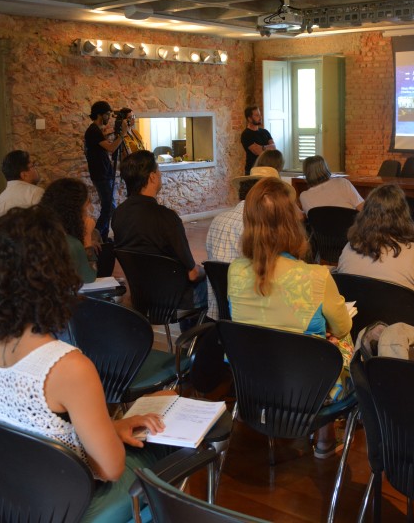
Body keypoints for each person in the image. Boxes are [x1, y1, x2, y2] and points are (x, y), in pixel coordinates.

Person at [0, 206, 165, 521]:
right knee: (163, 454)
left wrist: (109, 427)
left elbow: (30, 430)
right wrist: (109, 436)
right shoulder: (67, 366)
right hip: (65, 504)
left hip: (12, 497)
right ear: (56, 274)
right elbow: (110, 468)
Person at [228, 177, 353, 458]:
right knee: (338, 342)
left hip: (255, 381)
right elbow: (344, 326)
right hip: (307, 386)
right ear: (291, 223)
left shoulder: (234, 271)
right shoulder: (316, 276)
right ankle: (324, 439)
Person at [112, 150, 207, 314]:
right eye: (158, 170)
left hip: (140, 298)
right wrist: (205, 270)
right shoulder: (167, 218)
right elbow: (192, 273)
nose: (160, 174)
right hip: (173, 300)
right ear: (152, 177)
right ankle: (195, 336)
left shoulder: (118, 214)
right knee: (209, 280)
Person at [336, 183, 414, 336]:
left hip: (356, 329)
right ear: (404, 216)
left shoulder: (349, 248)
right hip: (398, 336)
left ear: (365, 214)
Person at [205, 166, 284, 320]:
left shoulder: (217, 220)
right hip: (253, 316)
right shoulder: (261, 227)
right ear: (267, 197)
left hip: (217, 311)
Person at [84, 100, 128, 241]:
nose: (109, 118)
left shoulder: (96, 131)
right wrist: (122, 135)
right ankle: (96, 235)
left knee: (110, 206)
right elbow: (111, 148)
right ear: (99, 115)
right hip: (101, 174)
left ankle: (102, 237)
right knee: (108, 207)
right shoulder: (93, 131)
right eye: (107, 115)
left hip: (104, 173)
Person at [40, 178, 97, 283]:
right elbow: (89, 277)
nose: (89, 207)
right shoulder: (70, 243)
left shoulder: (40, 232)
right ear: (75, 210)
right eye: (87, 203)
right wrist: (87, 235)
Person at [299, 155, 364, 215]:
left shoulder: (304, 197)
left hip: (323, 227)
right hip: (352, 226)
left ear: (306, 173)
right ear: (325, 168)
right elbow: (364, 209)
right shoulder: (342, 183)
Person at [0, 150, 43, 217]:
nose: (35, 169)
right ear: (24, 175)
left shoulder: (0, 199)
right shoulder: (35, 193)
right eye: (32, 166)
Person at [240, 105, 275, 175]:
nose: (260, 117)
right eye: (257, 115)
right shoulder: (246, 134)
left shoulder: (265, 132)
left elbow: (273, 148)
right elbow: (257, 151)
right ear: (249, 119)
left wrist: (262, 147)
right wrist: (267, 147)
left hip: (267, 171)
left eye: (259, 114)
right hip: (253, 171)